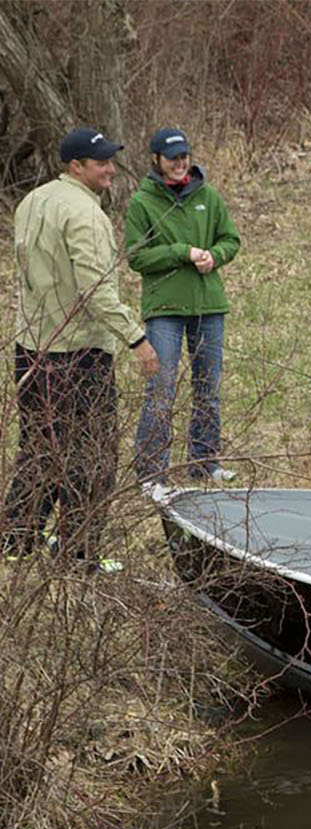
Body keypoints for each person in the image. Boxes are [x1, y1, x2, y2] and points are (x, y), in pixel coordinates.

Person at [4, 127, 159, 571]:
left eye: (110, 160)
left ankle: (16, 543)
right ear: (76, 167)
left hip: (32, 348)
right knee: (92, 455)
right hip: (78, 355)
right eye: (102, 163)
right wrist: (137, 339)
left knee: (38, 448)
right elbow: (96, 291)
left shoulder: (31, 202)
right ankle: (79, 554)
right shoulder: (85, 215)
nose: (111, 169)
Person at [126, 127, 242, 484]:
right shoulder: (142, 202)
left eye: (184, 157)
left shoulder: (208, 195)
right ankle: (151, 472)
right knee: (161, 389)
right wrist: (182, 252)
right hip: (165, 311)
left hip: (209, 307)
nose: (180, 164)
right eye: (172, 158)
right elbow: (136, 256)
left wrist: (215, 256)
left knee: (208, 388)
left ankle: (204, 462)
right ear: (156, 161)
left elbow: (231, 239)